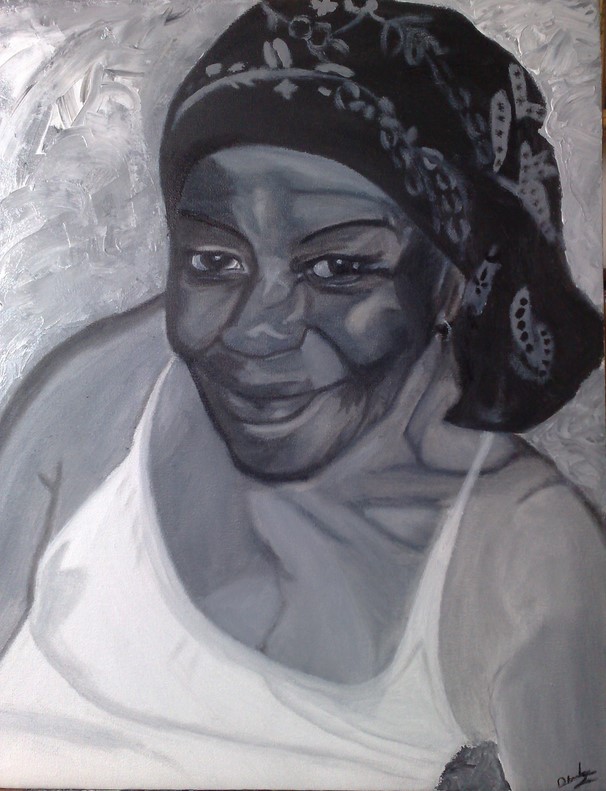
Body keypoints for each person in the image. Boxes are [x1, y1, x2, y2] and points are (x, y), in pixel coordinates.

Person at [0, 1, 604, 789]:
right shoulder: (106, 393)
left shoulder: (529, 565)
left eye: (339, 268)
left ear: (453, 279)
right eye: (215, 261)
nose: (258, 329)